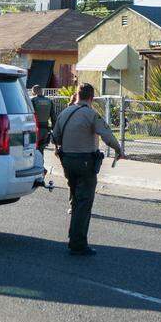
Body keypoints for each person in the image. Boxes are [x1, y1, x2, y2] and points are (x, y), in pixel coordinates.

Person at [52, 82, 123, 256]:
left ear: (76, 95)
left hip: (67, 161)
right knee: (84, 203)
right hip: (85, 163)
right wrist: (118, 149)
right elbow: (106, 135)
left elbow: (55, 137)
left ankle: (73, 236)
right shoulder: (91, 114)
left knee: (76, 199)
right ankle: (77, 243)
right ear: (91, 97)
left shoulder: (65, 113)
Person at [30, 85, 57, 155]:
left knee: (34, 151)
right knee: (41, 150)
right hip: (45, 130)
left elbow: (30, 115)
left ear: (34, 92)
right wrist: (54, 130)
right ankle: (41, 164)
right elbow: (53, 117)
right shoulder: (49, 101)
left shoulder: (33, 100)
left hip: (35, 129)